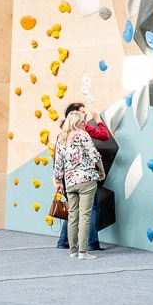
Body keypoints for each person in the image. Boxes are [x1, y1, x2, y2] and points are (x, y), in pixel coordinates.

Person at [51, 107, 104, 259]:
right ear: (78, 122)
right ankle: (83, 252)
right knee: (85, 215)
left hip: (70, 182)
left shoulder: (62, 137)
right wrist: (101, 170)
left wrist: (59, 181)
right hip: (86, 179)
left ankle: (73, 251)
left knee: (73, 215)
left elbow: (58, 163)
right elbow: (94, 155)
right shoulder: (83, 135)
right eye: (83, 122)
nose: (84, 124)